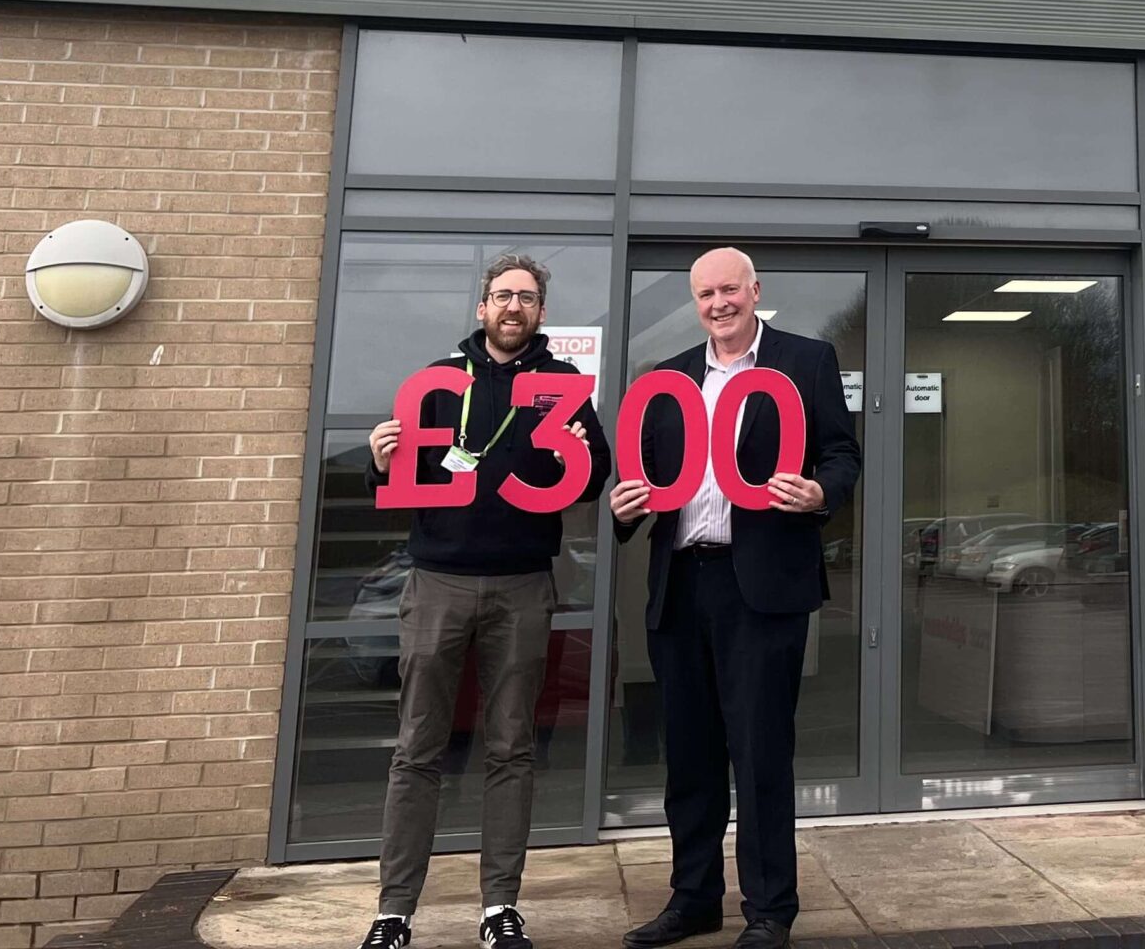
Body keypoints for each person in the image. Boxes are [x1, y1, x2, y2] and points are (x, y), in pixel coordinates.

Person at [360, 254, 613, 949]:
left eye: (527, 297)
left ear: (539, 311)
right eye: (503, 295)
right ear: (482, 307)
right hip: (436, 582)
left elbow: (595, 479)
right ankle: (394, 911)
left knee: (511, 748)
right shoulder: (436, 384)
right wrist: (379, 458)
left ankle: (500, 907)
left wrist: (576, 452)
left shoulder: (562, 386)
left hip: (523, 585)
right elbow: (395, 478)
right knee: (418, 749)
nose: (513, 307)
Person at [612, 248, 861, 949]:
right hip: (682, 583)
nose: (718, 303)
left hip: (762, 587)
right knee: (687, 757)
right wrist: (624, 508)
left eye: (729, 289)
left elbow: (843, 453)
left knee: (759, 754)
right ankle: (693, 900)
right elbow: (647, 478)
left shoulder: (806, 362)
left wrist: (821, 493)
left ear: (754, 291)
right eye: (704, 294)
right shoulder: (667, 380)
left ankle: (769, 910)